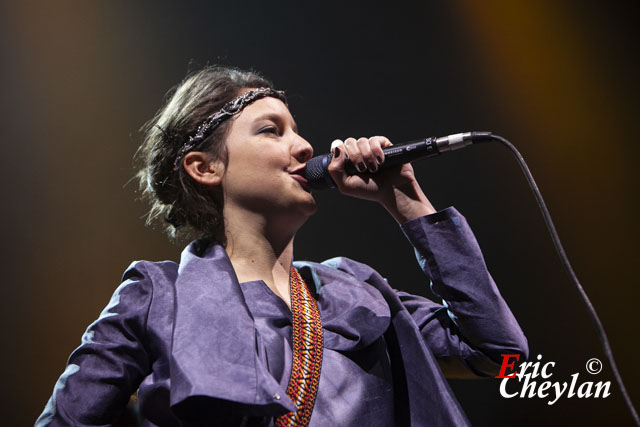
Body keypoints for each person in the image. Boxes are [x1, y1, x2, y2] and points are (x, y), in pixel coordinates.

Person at [36, 65, 528, 426]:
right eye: (272, 130)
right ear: (205, 167)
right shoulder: (157, 298)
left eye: (296, 129)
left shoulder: (352, 291)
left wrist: (407, 202)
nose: (305, 147)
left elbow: (499, 354)